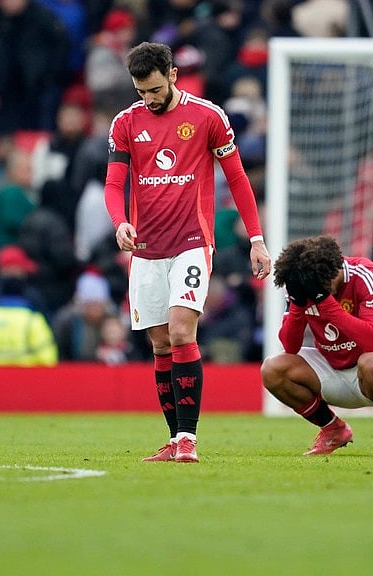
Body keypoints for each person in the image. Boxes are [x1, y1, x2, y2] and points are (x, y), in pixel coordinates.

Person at [105, 42, 271, 464]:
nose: (150, 99)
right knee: (160, 345)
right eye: (142, 91)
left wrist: (256, 238)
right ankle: (173, 438)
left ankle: (188, 439)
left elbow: (237, 180)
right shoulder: (125, 123)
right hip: (145, 248)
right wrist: (119, 220)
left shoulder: (207, 116)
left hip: (192, 242)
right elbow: (113, 184)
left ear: (173, 75)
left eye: (156, 89)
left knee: (182, 331)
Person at [260, 235, 373, 458]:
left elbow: (371, 340)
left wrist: (326, 303)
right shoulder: (305, 281)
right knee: (272, 369)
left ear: (334, 272)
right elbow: (290, 346)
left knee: (371, 363)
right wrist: (297, 305)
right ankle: (334, 430)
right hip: (334, 370)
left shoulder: (366, 275)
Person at [0, 245, 57, 367]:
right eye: (21, 268)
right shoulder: (34, 298)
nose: (25, 273)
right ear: (7, 269)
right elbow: (47, 352)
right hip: (28, 375)